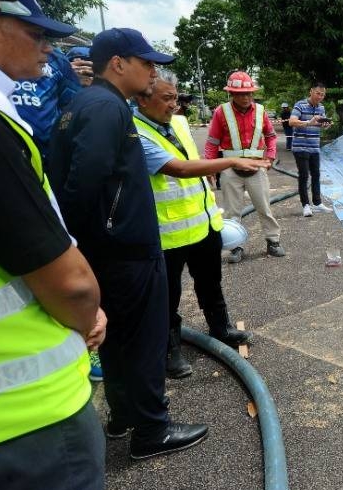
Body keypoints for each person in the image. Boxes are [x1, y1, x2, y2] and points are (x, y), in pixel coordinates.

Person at [49, 27, 209, 460]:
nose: (153, 71)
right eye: (146, 62)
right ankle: (152, 431)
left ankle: (122, 417)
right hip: (125, 251)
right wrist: (97, 235)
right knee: (145, 339)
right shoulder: (107, 108)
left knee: (118, 339)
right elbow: (85, 183)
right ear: (118, 63)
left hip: (111, 248)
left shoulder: (88, 104)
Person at [0, 0, 107, 490]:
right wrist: (89, 317)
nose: (48, 46)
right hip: (29, 422)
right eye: (34, 32)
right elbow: (72, 285)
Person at [133, 70, 261, 374]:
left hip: (202, 224)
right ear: (141, 98)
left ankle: (220, 328)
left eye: (176, 98)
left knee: (210, 283)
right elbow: (178, 168)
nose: (174, 105)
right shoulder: (134, 131)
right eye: (166, 99)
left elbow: (197, 164)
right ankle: (169, 348)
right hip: (169, 234)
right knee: (168, 295)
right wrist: (230, 161)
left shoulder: (178, 123)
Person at [204, 71, 284, 262]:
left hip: (257, 168)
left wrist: (270, 157)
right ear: (232, 94)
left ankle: (273, 241)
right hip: (231, 170)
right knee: (232, 211)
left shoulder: (261, 111)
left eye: (249, 93)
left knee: (264, 207)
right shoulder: (220, 112)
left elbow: (271, 137)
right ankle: (235, 246)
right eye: (241, 94)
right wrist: (210, 167)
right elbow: (212, 143)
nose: (246, 97)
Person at [289, 82, 334, 217]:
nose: (320, 97)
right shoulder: (300, 105)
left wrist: (326, 125)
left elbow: (320, 126)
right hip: (300, 146)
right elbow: (292, 122)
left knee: (316, 174)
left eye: (322, 94)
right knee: (304, 175)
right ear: (311, 91)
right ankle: (306, 205)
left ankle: (317, 203)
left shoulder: (321, 108)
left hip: (314, 147)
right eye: (318, 93)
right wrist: (309, 122)